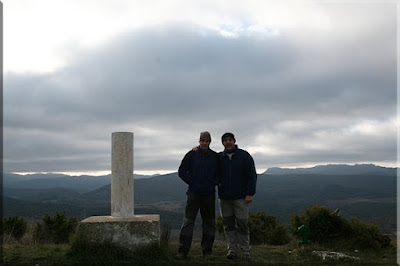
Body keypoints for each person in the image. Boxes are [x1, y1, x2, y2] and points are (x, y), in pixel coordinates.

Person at [176, 131, 219, 259]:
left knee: (209, 223)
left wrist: (213, 182)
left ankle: (207, 251)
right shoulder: (191, 154)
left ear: (210, 142)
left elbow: (220, 173)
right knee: (188, 221)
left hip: (209, 194)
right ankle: (183, 250)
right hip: (194, 193)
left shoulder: (215, 156)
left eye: (207, 141)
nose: (205, 143)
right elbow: (182, 171)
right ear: (199, 141)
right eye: (202, 141)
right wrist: (192, 181)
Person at [218, 132, 257, 261]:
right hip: (224, 198)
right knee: (228, 225)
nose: (228, 142)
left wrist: (250, 193)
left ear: (234, 141)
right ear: (223, 143)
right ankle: (231, 250)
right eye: (225, 140)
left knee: (242, 225)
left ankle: (246, 251)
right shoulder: (219, 158)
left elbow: (252, 175)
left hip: (241, 197)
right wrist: (195, 150)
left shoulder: (244, 156)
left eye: (230, 140)